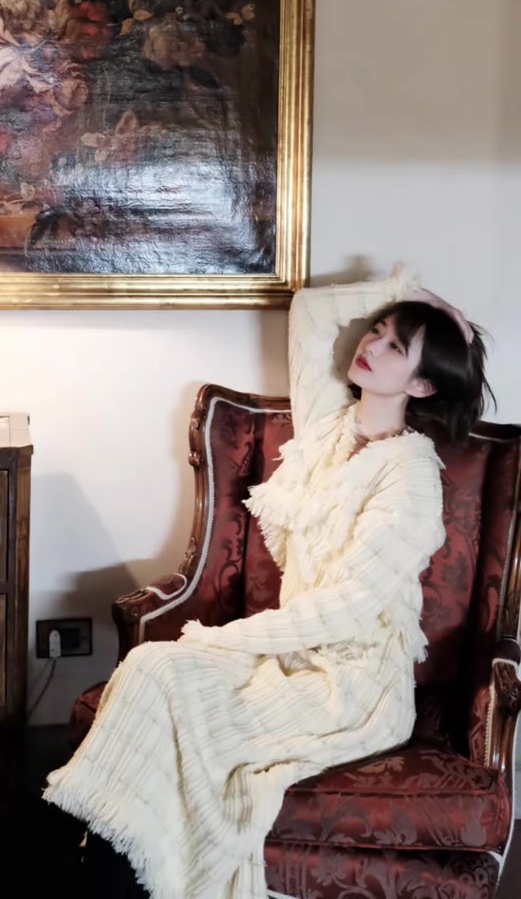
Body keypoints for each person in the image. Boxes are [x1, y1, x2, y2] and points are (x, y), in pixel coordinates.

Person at [43, 266, 494, 899]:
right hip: (285, 656)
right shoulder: (329, 429)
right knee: (150, 665)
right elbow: (309, 313)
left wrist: (227, 639)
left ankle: (99, 877)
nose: (371, 344)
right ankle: (104, 865)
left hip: (351, 684)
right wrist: (422, 297)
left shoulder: (411, 478)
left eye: (395, 346)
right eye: (377, 329)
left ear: (421, 385)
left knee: (176, 695)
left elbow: (346, 610)